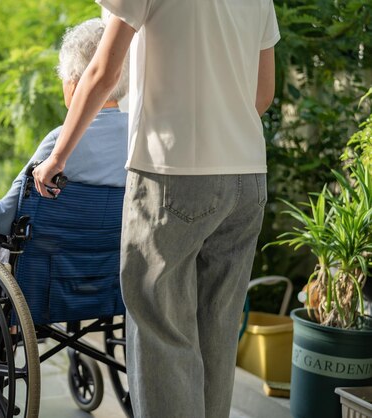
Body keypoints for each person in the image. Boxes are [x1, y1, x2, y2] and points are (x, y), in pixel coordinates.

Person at [32, 2, 279, 417]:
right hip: (247, 177)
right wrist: (220, 132)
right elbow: (263, 93)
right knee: (216, 328)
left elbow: (101, 72)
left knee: (162, 333)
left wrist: (57, 158)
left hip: (173, 172)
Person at [0, 18, 130, 260]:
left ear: (75, 83)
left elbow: (2, 218)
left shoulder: (60, 144)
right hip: (110, 278)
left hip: (48, 278)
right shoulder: (137, 137)